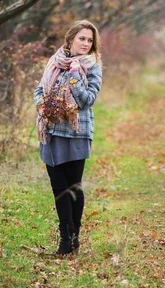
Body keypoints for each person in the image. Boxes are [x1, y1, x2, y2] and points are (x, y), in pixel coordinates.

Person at [34, 20, 103, 257]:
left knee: (73, 187)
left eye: (89, 40)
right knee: (58, 188)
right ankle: (66, 237)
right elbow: (40, 89)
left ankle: (73, 238)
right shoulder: (55, 62)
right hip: (51, 132)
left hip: (76, 132)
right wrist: (41, 106)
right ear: (71, 39)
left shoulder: (92, 67)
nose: (85, 43)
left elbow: (86, 101)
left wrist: (74, 75)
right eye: (82, 38)